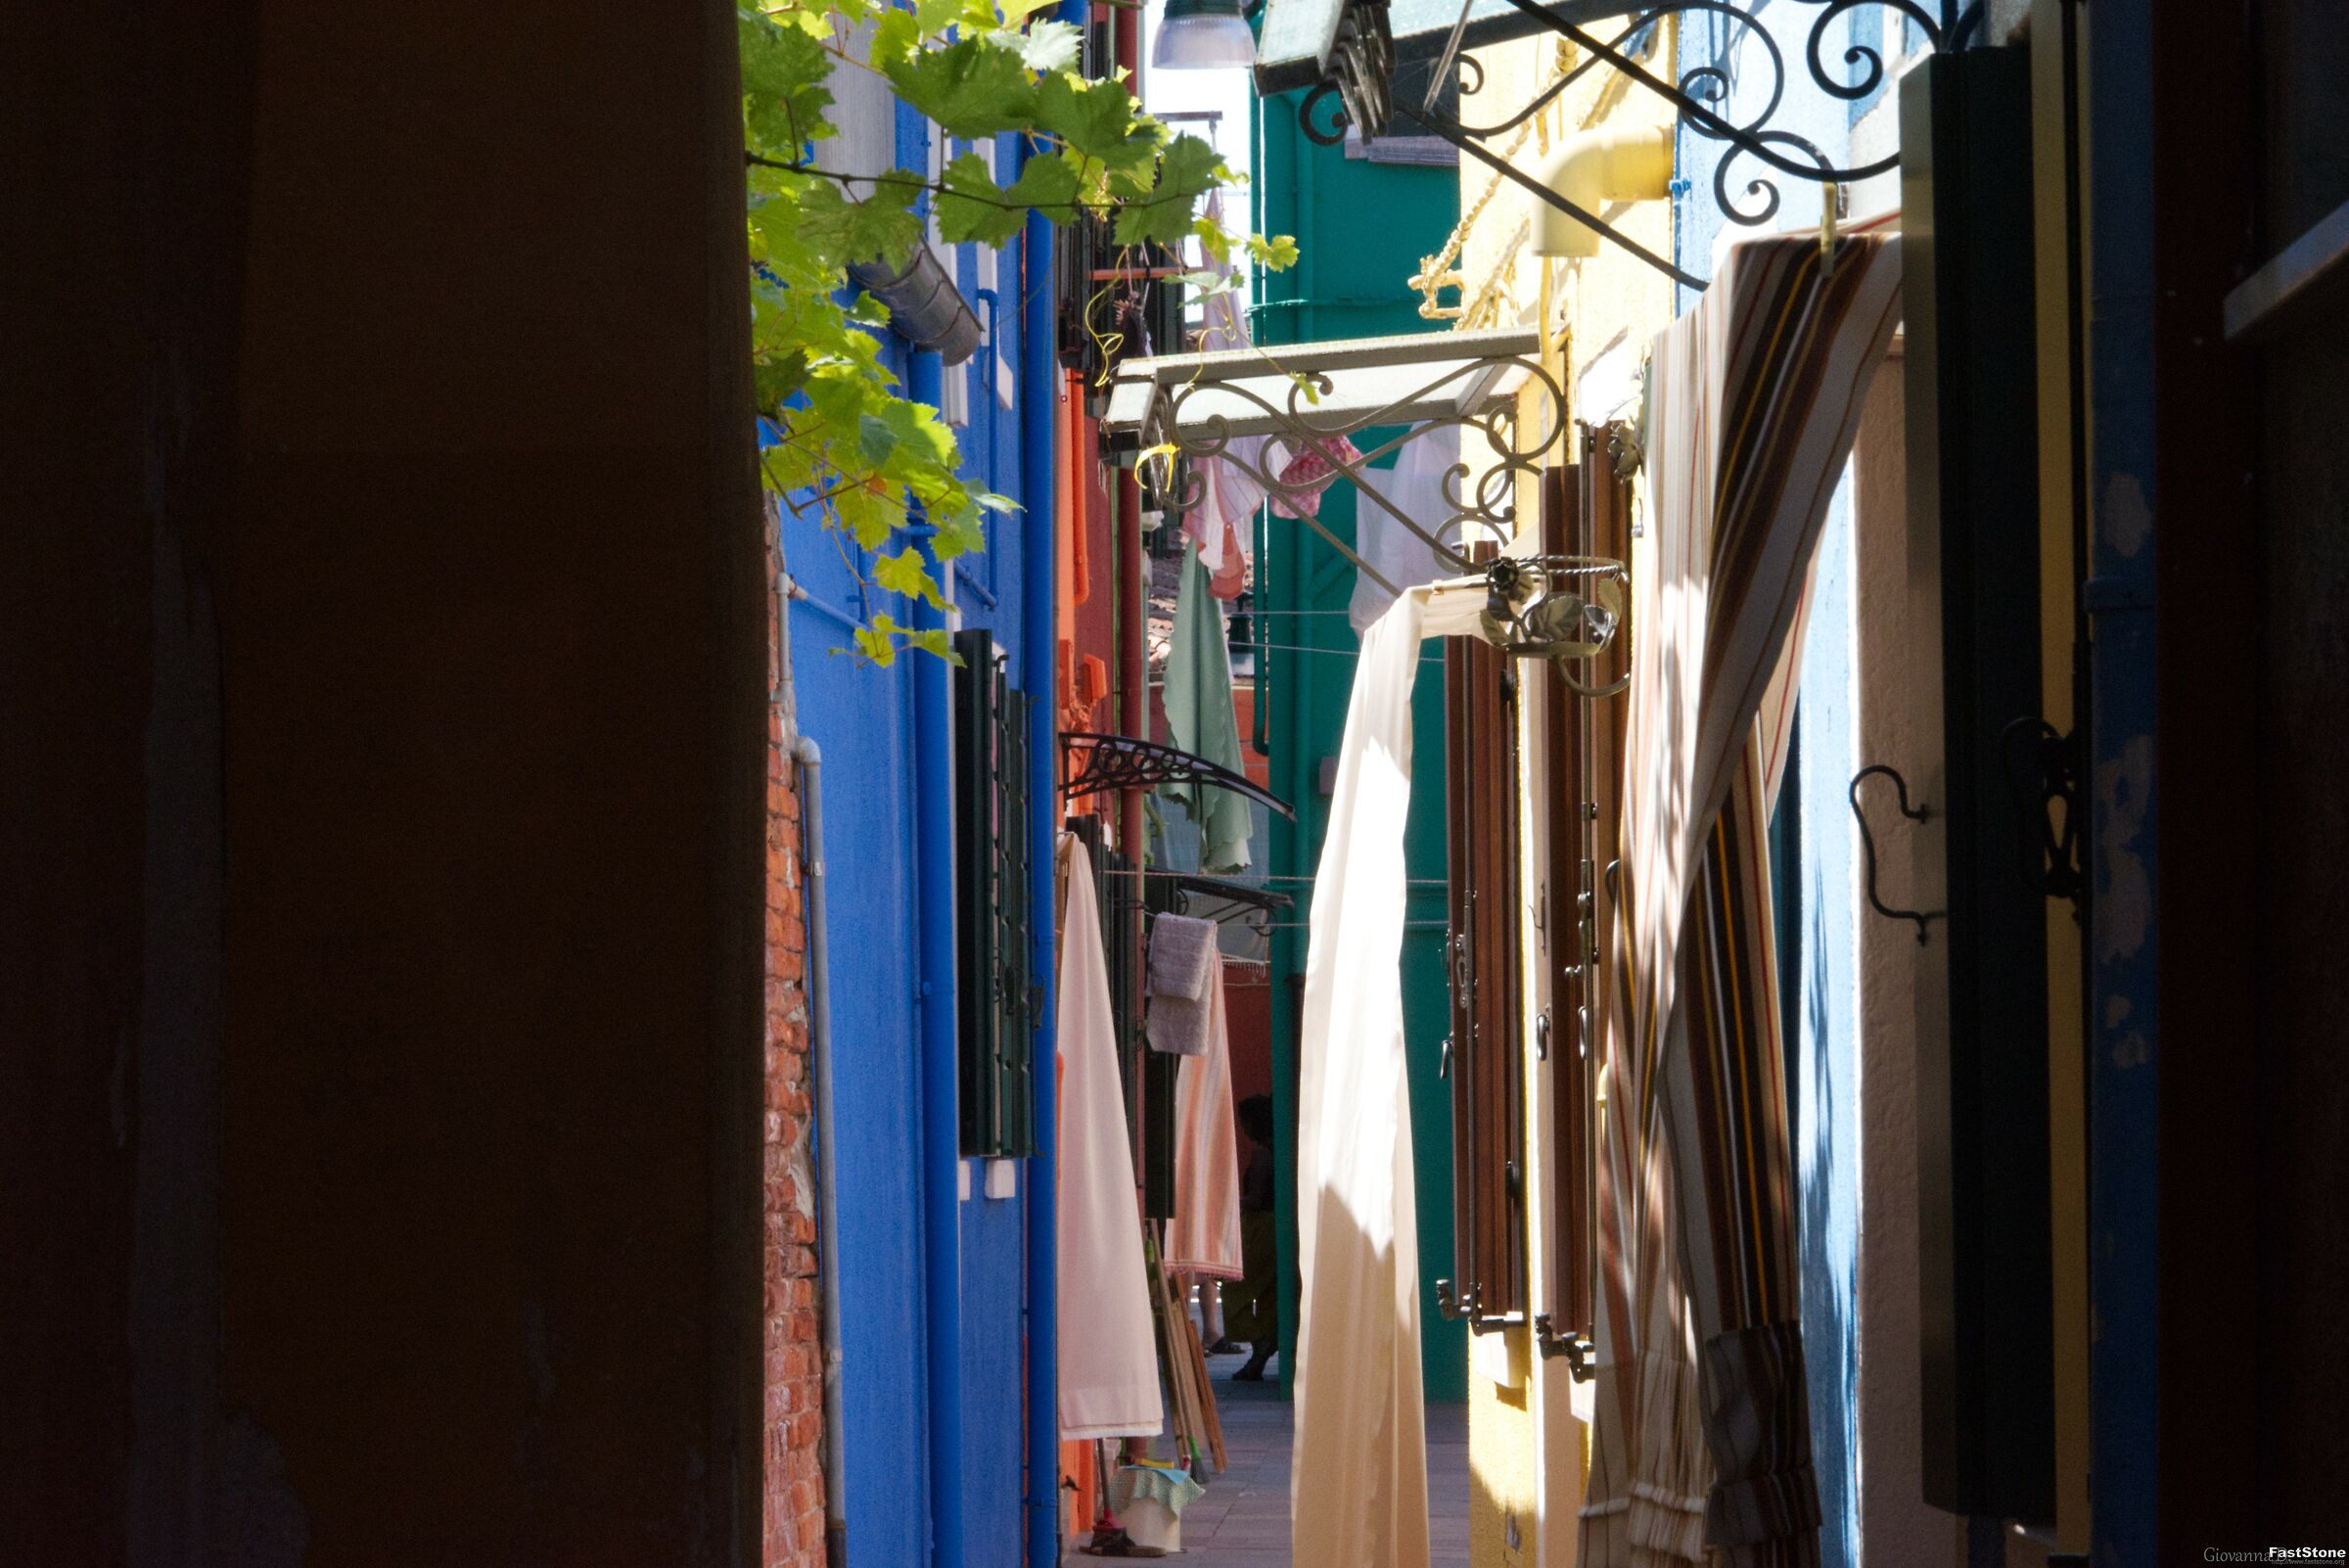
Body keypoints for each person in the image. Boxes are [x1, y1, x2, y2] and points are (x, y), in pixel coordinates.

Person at [1225, 1094, 1279, 1381]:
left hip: (1259, 1227)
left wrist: (1230, 1204)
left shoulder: (1261, 1154)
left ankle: (1259, 1339)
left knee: (1235, 1288)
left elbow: (1255, 1198)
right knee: (1269, 1293)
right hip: (1277, 1226)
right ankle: (1260, 1354)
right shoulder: (1279, 1149)